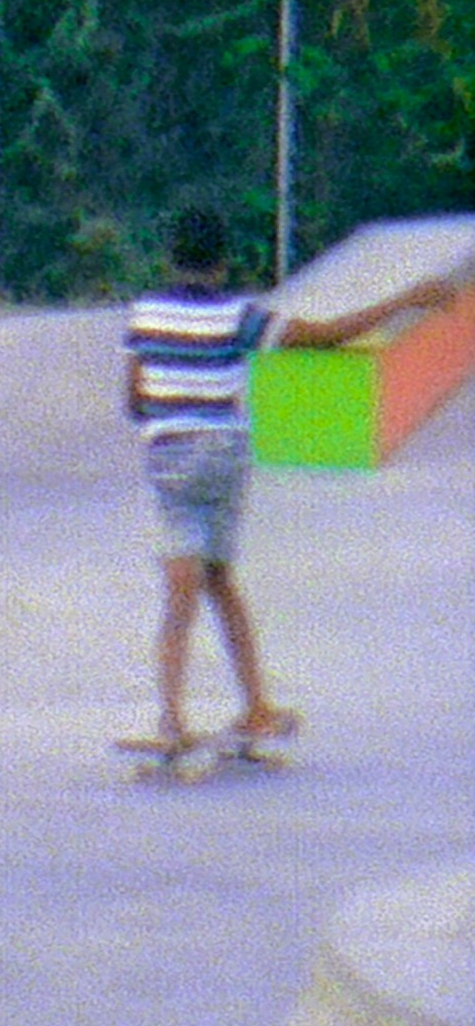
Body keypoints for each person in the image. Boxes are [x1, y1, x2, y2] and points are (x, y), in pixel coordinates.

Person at [123, 205, 454, 750]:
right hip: (226, 456)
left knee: (180, 589)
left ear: (170, 257)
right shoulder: (240, 316)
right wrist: (404, 299)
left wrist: (161, 410)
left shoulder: (144, 316)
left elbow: (134, 397)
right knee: (219, 577)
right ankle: (256, 707)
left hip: (171, 457)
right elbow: (322, 336)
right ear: (223, 264)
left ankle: (173, 720)